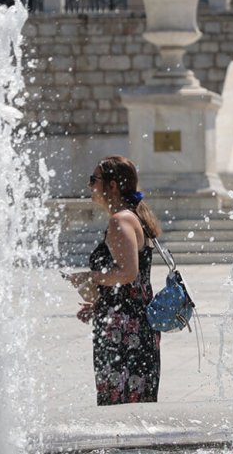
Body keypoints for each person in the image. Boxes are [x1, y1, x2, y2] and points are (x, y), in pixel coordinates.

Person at [65, 155, 162, 406]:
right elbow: (131, 283)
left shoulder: (120, 221)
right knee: (132, 405)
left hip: (125, 333)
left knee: (122, 408)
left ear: (112, 186)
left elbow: (129, 272)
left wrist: (90, 277)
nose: (89, 186)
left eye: (93, 179)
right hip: (130, 326)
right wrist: (101, 304)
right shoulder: (129, 217)